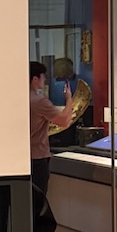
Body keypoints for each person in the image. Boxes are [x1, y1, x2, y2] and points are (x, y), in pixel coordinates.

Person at [29, 61, 72, 198]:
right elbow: (64, 121)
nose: (45, 80)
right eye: (43, 77)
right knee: (38, 200)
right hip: (37, 158)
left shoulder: (19, 99)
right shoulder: (39, 102)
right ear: (35, 79)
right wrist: (69, 99)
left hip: (24, 157)